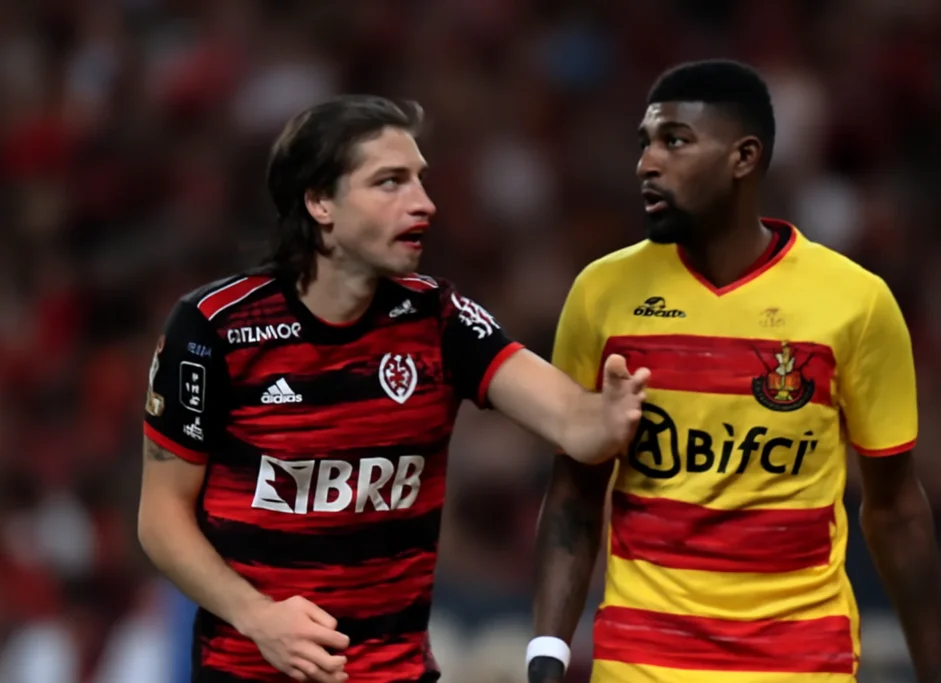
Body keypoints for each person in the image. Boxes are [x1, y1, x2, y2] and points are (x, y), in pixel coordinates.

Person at [137, 94, 650, 683]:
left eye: (420, 180)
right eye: (390, 182)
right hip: (246, 670)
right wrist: (257, 616)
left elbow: (575, 425)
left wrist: (611, 413)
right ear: (320, 202)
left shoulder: (439, 318)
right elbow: (161, 518)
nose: (423, 203)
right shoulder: (213, 328)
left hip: (394, 671)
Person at [529, 60, 941, 683]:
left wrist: (936, 676)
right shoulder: (601, 294)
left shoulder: (855, 304)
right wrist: (546, 655)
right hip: (641, 663)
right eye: (645, 143)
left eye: (674, 141)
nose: (646, 163)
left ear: (744, 157)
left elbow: (894, 509)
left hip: (801, 665)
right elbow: (573, 492)